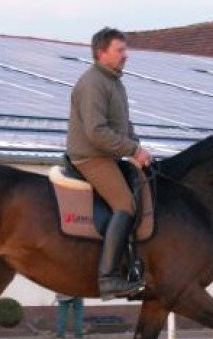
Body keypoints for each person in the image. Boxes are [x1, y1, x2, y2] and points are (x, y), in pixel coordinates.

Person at [66, 27, 152, 300]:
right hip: (91, 156)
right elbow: (97, 131)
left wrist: (138, 148)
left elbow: (123, 124)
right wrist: (131, 149)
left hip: (109, 154)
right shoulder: (93, 83)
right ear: (101, 53)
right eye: (120, 50)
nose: (126, 55)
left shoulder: (114, 81)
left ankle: (134, 267)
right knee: (124, 205)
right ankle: (108, 279)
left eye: (125, 50)